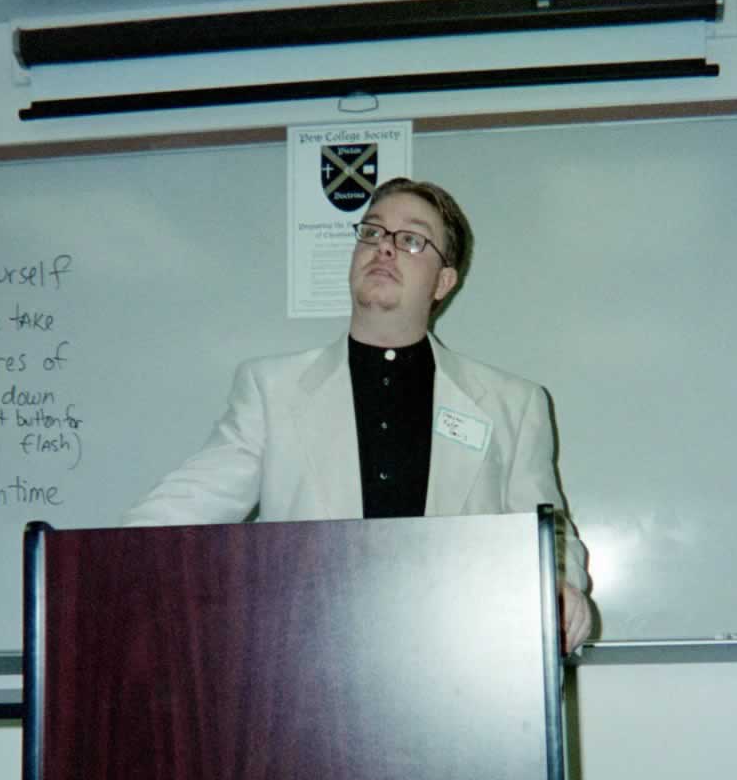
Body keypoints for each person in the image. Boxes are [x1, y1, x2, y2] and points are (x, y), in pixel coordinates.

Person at [122, 177, 593, 650]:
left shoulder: (513, 403)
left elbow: (549, 533)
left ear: (444, 282)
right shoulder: (272, 390)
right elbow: (185, 505)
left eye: (411, 239)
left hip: (464, 663)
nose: (384, 249)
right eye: (372, 232)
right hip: (313, 669)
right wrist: (90, 563)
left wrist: (566, 588)